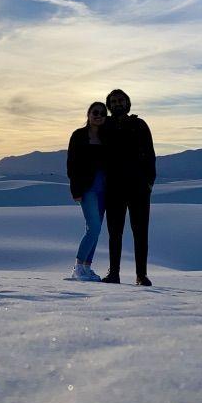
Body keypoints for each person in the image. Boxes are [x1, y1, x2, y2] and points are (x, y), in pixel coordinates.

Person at [100, 89, 156, 286]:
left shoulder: (140, 124)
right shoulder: (104, 126)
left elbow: (150, 154)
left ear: (127, 103)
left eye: (121, 100)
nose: (117, 104)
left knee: (140, 232)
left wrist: (149, 183)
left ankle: (141, 275)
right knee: (115, 232)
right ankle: (113, 273)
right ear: (109, 105)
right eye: (113, 101)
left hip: (139, 188)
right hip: (113, 188)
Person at [66, 101, 109, 281]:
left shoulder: (108, 137)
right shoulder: (78, 136)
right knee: (94, 228)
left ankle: (87, 267)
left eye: (102, 113)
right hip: (87, 188)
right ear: (88, 115)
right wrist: (75, 189)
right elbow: (72, 164)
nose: (98, 116)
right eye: (95, 112)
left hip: (105, 189)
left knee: (95, 230)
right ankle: (78, 267)